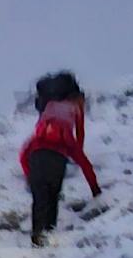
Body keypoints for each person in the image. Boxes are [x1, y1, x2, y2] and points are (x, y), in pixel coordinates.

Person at [19, 72, 101, 245]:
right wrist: (95, 190)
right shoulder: (74, 109)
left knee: (39, 199)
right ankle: (48, 235)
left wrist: (28, 175)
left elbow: (23, 154)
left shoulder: (49, 108)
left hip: (37, 154)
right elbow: (80, 136)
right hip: (59, 155)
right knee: (53, 197)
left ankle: (37, 239)